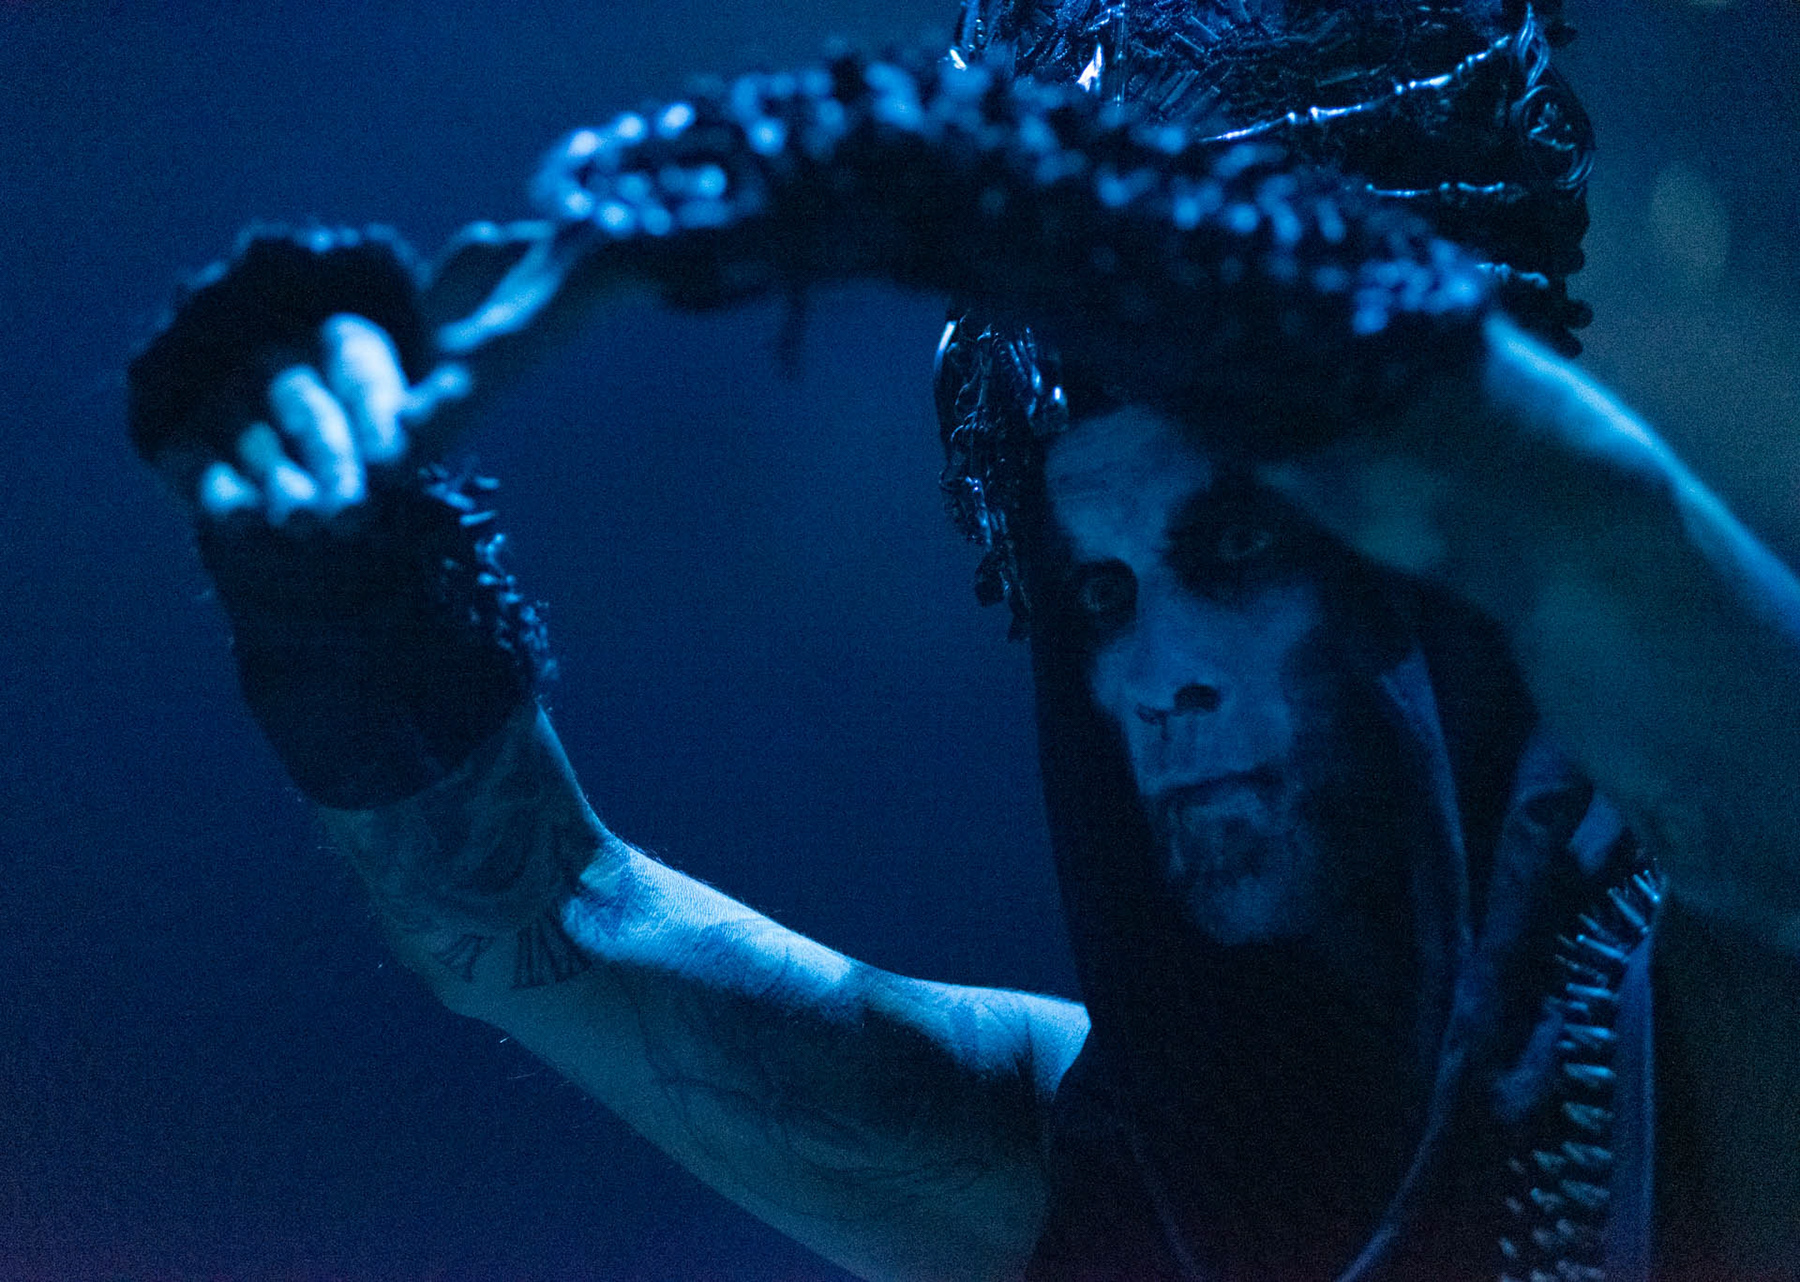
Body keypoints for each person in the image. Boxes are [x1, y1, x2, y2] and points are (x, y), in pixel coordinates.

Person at [126, 0, 1799, 1276]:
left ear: (1412, 550)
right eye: (1102, 597)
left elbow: (1581, 519)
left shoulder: (1736, 947)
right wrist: (340, 580)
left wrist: (877, 171)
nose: (1161, 674)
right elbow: (541, 927)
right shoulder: (1106, 1172)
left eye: (1233, 550)